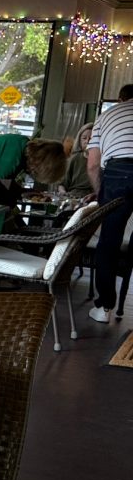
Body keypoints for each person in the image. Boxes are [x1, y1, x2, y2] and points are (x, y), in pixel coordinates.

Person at [86, 83, 133, 323]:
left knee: (109, 241)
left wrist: (100, 194)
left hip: (118, 173)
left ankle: (104, 308)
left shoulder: (107, 115)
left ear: (120, 99)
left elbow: (93, 164)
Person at [62, 122, 95, 198]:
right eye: (84, 138)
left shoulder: (102, 160)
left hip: (93, 197)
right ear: (79, 140)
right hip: (73, 196)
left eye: (91, 138)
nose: (87, 141)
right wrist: (64, 193)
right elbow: (62, 185)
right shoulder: (74, 158)